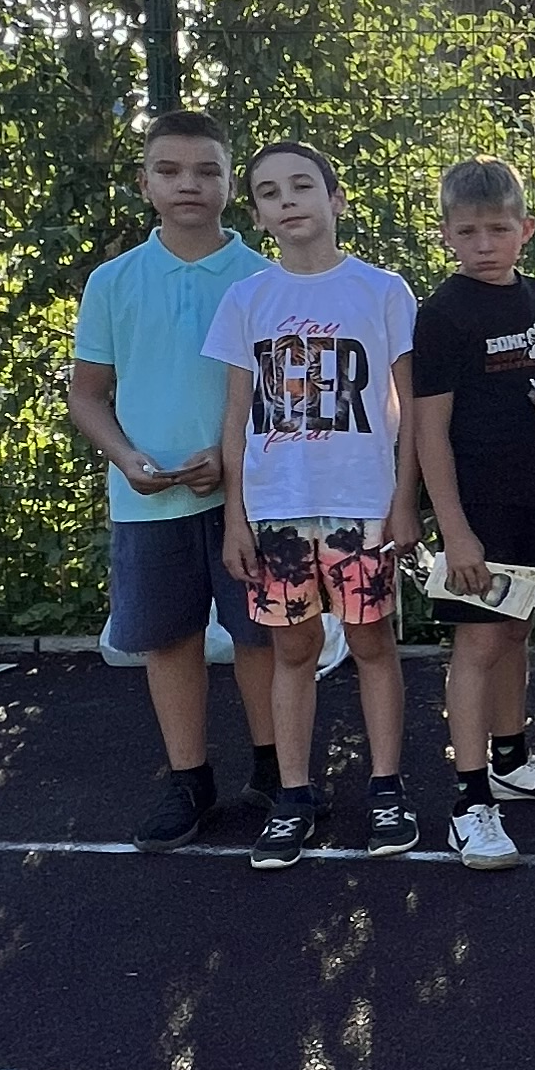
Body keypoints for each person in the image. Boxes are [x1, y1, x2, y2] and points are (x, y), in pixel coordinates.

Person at [205, 140, 421, 871]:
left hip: (363, 506)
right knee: (292, 652)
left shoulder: (382, 291)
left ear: (336, 199)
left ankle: (387, 790)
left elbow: (413, 410)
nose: (287, 200)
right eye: (269, 192)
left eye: (302, 185)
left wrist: (405, 499)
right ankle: (293, 797)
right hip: (277, 512)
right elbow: (236, 419)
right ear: (257, 212)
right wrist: (235, 516)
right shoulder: (247, 300)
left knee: (371, 644)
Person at [70, 108, 281, 850]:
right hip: (148, 502)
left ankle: (276, 772)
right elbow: (87, 394)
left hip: (252, 500)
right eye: (169, 170)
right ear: (144, 183)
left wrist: (233, 457)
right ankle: (189, 779)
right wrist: (127, 458)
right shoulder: (113, 282)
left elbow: (286, 398)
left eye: (206, 171)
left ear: (231, 185)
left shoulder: (267, 280)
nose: (188, 184)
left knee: (262, 635)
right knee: (169, 639)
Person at [410, 158, 535, 871]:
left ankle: (512, 765)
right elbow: (428, 433)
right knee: (478, 646)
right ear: (446, 236)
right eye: (468, 232)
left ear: (526, 229)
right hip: (477, 505)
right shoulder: (442, 314)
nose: (484, 244)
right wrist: (454, 529)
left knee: (516, 632)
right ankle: (469, 801)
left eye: (497, 229)